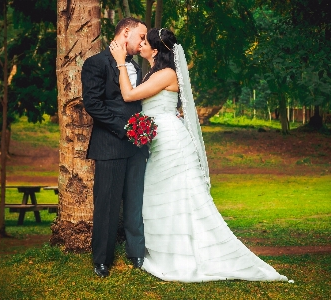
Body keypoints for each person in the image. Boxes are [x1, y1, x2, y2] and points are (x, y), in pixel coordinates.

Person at [109, 28, 290, 282]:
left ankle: (188, 256)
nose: (140, 46)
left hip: (171, 143)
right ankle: (169, 252)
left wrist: (119, 63)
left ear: (156, 50)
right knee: (160, 195)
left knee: (182, 197)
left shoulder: (167, 73)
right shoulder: (153, 72)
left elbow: (129, 95)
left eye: (145, 43)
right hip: (158, 140)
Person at [81, 17, 149, 278]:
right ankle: (102, 260)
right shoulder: (95, 63)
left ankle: (137, 254)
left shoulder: (136, 66)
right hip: (110, 145)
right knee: (107, 205)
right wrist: (124, 130)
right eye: (141, 37)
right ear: (127, 33)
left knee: (134, 201)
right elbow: (93, 105)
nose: (143, 42)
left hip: (137, 147)